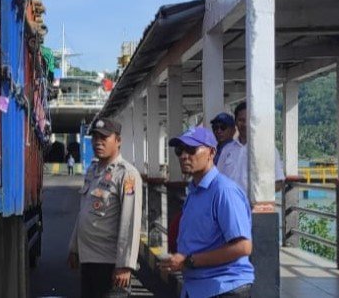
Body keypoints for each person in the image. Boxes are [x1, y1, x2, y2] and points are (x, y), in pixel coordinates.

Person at [159, 126, 254, 298]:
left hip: (223, 288)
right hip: (197, 287)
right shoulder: (194, 190)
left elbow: (243, 247)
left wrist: (189, 261)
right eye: (180, 151)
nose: (184, 156)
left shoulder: (224, 191)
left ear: (211, 152)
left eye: (191, 149)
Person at [68, 117, 143, 297]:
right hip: (88, 259)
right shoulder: (93, 171)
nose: (97, 142)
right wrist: (74, 247)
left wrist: (125, 265)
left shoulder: (127, 175)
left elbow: (130, 222)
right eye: (95, 138)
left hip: (110, 263)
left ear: (118, 141)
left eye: (104, 138)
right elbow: (84, 212)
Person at [219, 102, 285, 193]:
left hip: (254, 205)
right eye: (241, 120)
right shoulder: (227, 150)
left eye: (249, 120)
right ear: (235, 122)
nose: (245, 124)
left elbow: (278, 182)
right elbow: (218, 179)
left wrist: (258, 195)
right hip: (229, 205)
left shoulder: (267, 149)